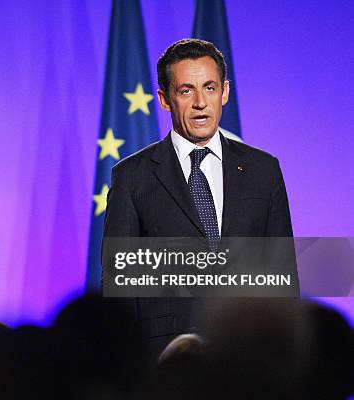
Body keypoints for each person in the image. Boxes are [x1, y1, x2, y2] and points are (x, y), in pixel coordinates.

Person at [102, 38, 299, 355]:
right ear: (165, 100)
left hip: (250, 355)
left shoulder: (264, 170)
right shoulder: (132, 176)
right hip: (166, 359)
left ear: (225, 92)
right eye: (185, 91)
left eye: (209, 88)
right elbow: (119, 285)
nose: (200, 103)